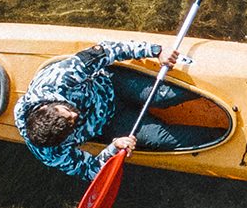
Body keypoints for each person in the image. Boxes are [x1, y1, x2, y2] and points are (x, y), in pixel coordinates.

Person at [13, 40, 189, 180]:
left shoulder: (59, 79)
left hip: (111, 83)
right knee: (159, 138)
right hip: (109, 124)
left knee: (165, 95)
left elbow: (107, 50)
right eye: (72, 124)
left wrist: (156, 51)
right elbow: (91, 171)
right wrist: (114, 148)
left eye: (68, 109)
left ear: (47, 105)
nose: (76, 114)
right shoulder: (51, 153)